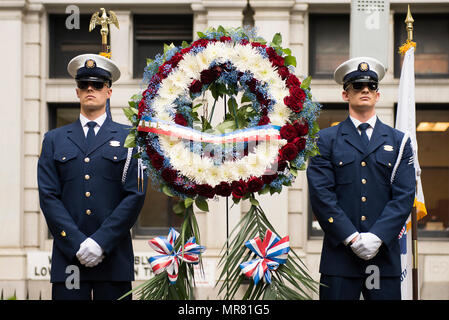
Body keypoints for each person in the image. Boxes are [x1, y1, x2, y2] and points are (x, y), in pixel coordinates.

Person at [38, 54, 147, 300]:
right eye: (84, 84)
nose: (90, 89)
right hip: (69, 260)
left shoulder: (132, 139)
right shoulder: (53, 140)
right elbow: (48, 196)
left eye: (98, 85)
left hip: (114, 259)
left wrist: (100, 242)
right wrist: (77, 243)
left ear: (108, 92)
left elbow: (135, 195)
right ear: (77, 92)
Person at [306, 57, 415, 300]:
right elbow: (322, 195)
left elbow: (405, 195)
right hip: (340, 258)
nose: (365, 90)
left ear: (378, 95)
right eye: (357, 86)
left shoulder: (399, 141)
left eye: (371, 87)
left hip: (383, 256)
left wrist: (377, 237)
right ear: (345, 95)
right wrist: (352, 238)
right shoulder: (325, 140)